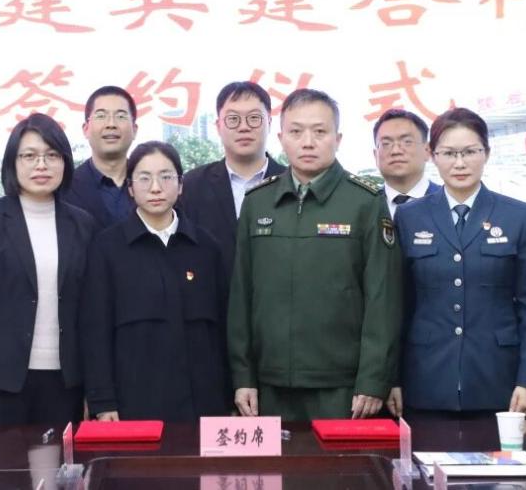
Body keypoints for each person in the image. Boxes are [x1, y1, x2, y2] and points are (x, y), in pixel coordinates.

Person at [228, 88, 401, 421]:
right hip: (268, 385)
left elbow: (383, 299)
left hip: (343, 388)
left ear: (337, 138)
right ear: (281, 138)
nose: (307, 142)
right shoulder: (258, 202)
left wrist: (373, 380)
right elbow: (241, 297)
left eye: (319, 132)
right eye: (296, 132)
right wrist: (243, 376)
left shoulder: (365, 202)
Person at [388, 107, 526, 418]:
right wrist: (391, 378)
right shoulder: (409, 216)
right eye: (449, 153)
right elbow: (398, 305)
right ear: (432, 155)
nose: (459, 163)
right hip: (425, 378)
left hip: (498, 379)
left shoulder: (517, 215)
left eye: (470, 152)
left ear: (486, 153)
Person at [0, 113, 96, 430]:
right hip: (1, 382)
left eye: (51, 155)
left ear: (65, 162)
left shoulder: (82, 224)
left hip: (66, 383)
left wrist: (95, 390)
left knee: (59, 462)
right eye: (29, 156)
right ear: (13, 163)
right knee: (6, 461)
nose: (41, 165)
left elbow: (90, 310)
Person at [83, 141, 229, 421]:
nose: (155, 188)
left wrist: (230, 393)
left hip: (203, 401)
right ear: (130, 188)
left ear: (181, 185)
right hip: (135, 402)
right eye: (144, 178)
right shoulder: (107, 248)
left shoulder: (206, 247)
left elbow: (223, 327)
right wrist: (103, 401)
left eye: (166, 176)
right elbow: (95, 331)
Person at [179, 81, 286, 276]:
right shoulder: (191, 185)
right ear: (218, 126)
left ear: (269, 123)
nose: (244, 127)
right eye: (233, 119)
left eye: (254, 118)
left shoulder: (292, 184)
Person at [65, 86, 138, 230]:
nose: (111, 124)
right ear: (86, 129)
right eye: (101, 116)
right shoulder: (65, 188)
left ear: (134, 130)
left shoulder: (152, 184)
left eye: (121, 116)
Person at [372, 108, 441, 219]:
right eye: (386, 144)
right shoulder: (365, 205)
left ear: (427, 150)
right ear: (376, 155)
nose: (396, 151)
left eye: (407, 142)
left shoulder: (450, 202)